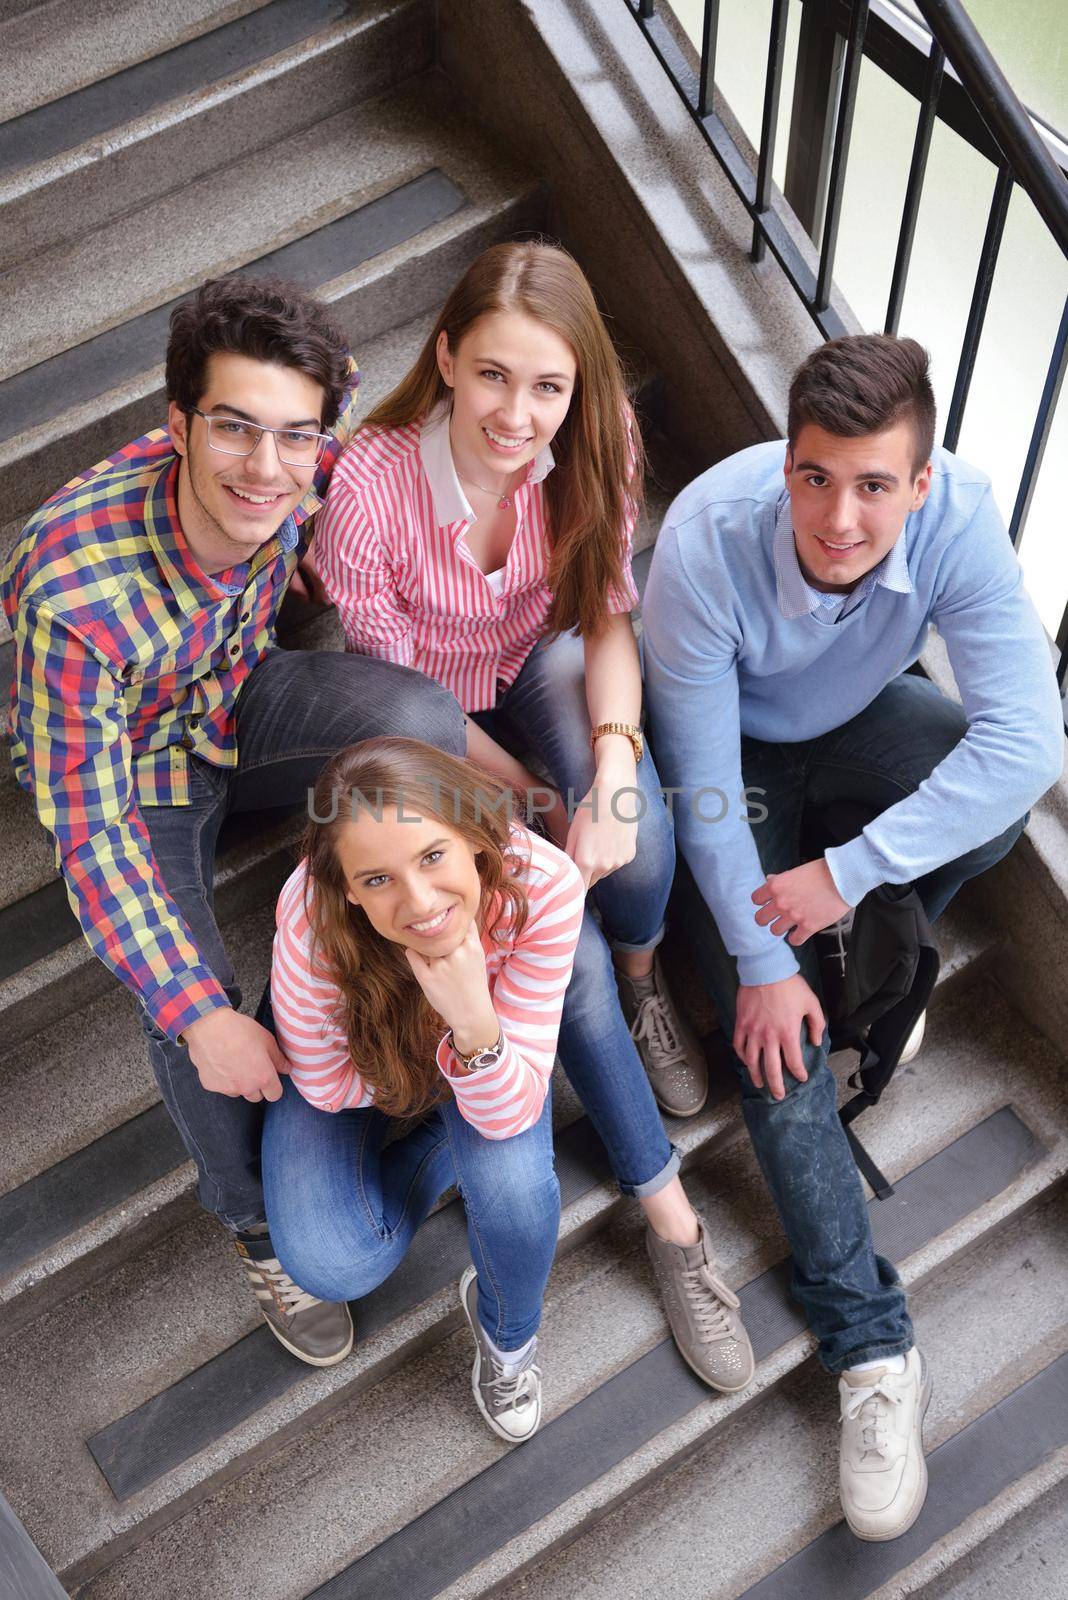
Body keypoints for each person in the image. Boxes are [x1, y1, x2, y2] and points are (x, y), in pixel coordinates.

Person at [311, 241, 756, 1395]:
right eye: (496, 375)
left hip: (534, 664)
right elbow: (408, 708)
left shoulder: (590, 449)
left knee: (643, 831)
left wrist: (610, 764)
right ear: (448, 356)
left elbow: (608, 618)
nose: (519, 413)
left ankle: (652, 977)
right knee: (570, 971)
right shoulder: (367, 490)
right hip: (424, 724)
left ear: (577, 387)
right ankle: (677, 1227)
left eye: (547, 386)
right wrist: (538, 811)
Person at [0, 274, 467, 1367]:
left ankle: (381, 964)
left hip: (236, 691)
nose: (268, 467)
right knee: (190, 1002)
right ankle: (255, 1217)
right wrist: (199, 1010)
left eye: (293, 436)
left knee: (418, 715)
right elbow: (92, 831)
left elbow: (361, 411)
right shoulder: (74, 592)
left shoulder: (308, 461)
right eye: (235, 431)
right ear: (179, 426)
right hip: (137, 767)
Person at [642, 332, 1064, 1540]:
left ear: (920, 484)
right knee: (775, 1046)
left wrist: (851, 874)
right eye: (816, 477)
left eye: (875, 484)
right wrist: (767, 960)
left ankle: (878, 957)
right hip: (735, 764)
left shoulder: (961, 517)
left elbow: (1028, 745)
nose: (840, 516)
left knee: (982, 789)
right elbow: (708, 788)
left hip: (866, 724)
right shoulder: (707, 544)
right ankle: (872, 1346)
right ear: (787, 460)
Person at [263, 738, 585, 1441]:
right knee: (334, 1261)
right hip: (370, 1067)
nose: (420, 902)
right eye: (377, 880)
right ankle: (449, 1127)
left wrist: (471, 1016)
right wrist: (431, 1045)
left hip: (480, 1046)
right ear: (347, 887)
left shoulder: (546, 885)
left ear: (473, 835)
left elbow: (509, 1114)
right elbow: (329, 1085)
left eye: (432, 856)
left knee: (520, 1191)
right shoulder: (313, 927)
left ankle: (508, 1343)